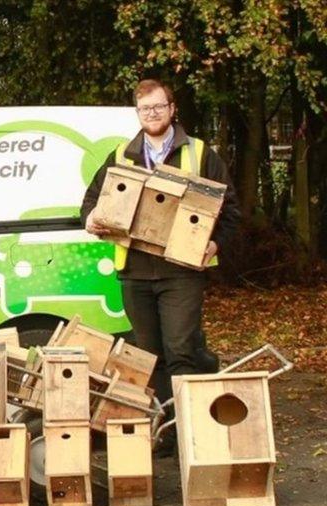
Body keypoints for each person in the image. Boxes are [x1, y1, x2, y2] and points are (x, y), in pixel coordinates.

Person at [80, 79, 240, 456]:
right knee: (150, 356)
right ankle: (165, 432)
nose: (152, 114)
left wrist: (214, 244)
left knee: (182, 349)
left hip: (181, 273)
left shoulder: (200, 153)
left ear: (172, 109)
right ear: (138, 113)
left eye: (158, 107)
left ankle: (193, 434)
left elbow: (230, 211)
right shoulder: (122, 154)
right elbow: (89, 203)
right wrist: (91, 220)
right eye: (144, 109)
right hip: (135, 272)